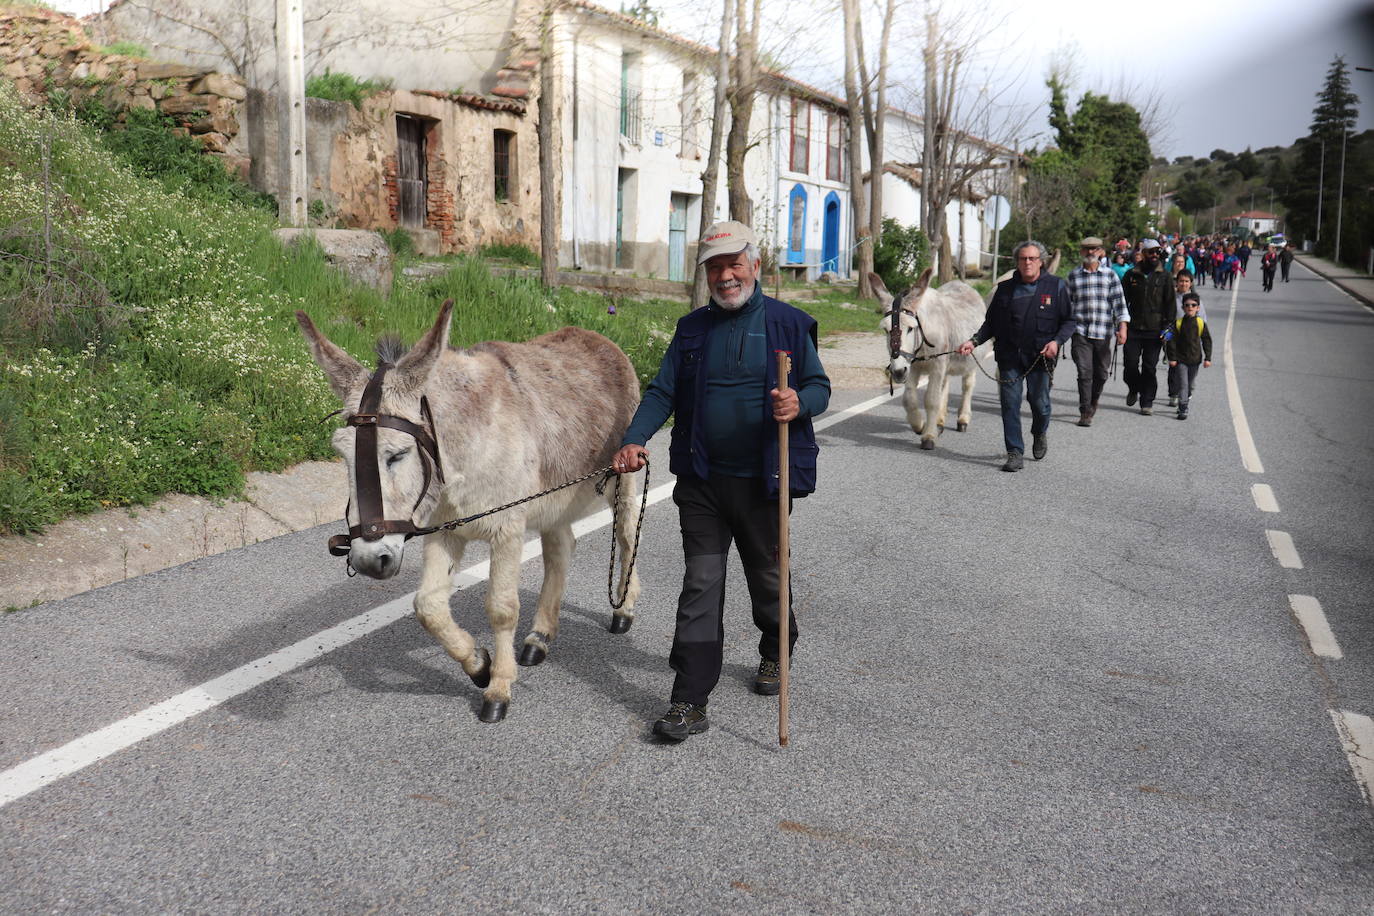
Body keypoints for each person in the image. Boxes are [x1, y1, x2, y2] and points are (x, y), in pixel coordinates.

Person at [612, 220, 831, 743]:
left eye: (734, 264)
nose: (726, 275)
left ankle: (776, 650)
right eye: (715, 267)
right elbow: (663, 392)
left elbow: (820, 386)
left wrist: (799, 402)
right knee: (700, 586)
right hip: (704, 482)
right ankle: (688, 698)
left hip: (765, 481)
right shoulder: (692, 329)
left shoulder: (788, 324)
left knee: (768, 580)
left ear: (755, 266)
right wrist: (635, 437)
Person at [957, 239, 1074, 471]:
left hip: (1040, 357)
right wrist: (974, 340)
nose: (1027, 262)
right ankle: (1014, 452)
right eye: (1023, 259)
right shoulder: (1005, 289)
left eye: (1032, 258)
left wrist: (1057, 341)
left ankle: (1039, 432)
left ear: (1041, 261)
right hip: (1009, 356)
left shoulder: (1057, 286)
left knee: (1039, 403)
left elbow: (1069, 320)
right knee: (1009, 403)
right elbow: (990, 323)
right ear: (1017, 262)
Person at [1065, 236, 1129, 427]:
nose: (1091, 252)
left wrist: (1122, 327)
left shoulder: (1110, 275)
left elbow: (1119, 303)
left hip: (1103, 332)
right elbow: (1066, 306)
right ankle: (1085, 411)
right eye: (1087, 249)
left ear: (1101, 252)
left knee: (1101, 374)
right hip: (1080, 331)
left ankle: (1094, 400)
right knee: (1084, 372)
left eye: (1095, 249)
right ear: (1081, 252)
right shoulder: (1073, 276)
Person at [1119, 238, 1176, 415]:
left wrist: (1168, 330)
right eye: (1150, 252)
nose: (1154, 255)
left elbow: (1170, 304)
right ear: (1143, 254)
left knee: (1150, 367)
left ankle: (1147, 401)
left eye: (1157, 252)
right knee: (1130, 364)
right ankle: (1133, 387)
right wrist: (1120, 324)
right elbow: (1122, 301)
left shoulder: (1165, 276)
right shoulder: (1131, 274)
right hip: (1133, 327)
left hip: (1155, 329)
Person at [1165, 292, 1212, 420]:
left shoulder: (1201, 323)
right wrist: (1172, 358)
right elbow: (1171, 341)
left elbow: (1207, 340)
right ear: (1183, 307)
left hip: (1195, 360)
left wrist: (1208, 357)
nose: (1190, 307)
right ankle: (1183, 407)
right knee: (1183, 384)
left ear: (1198, 308)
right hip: (1181, 359)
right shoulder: (1178, 323)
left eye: (1193, 305)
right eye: (1187, 305)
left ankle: (1186, 395)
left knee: (1190, 384)